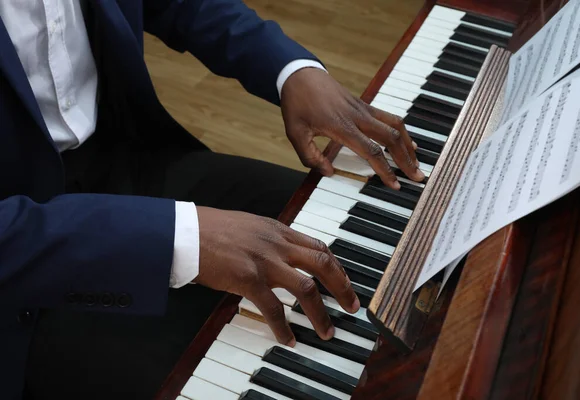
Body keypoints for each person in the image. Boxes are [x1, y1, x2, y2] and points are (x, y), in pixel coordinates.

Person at [0, 0, 424, 398]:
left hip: (126, 159)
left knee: (346, 239)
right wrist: (176, 239)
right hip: (18, 263)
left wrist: (289, 69)